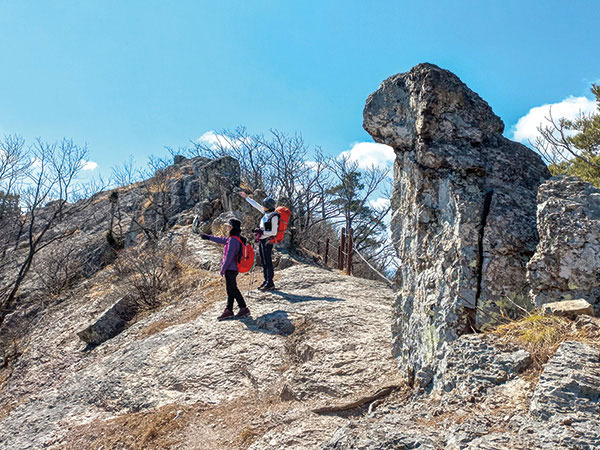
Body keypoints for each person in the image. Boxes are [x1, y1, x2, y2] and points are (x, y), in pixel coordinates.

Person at [200, 218, 250, 321]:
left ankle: (243, 308)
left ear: (232, 228)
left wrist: (223, 269)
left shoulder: (233, 240)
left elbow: (229, 256)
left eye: (228, 226)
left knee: (233, 289)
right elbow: (221, 240)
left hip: (230, 268)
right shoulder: (235, 238)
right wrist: (208, 237)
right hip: (233, 268)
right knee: (230, 289)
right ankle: (229, 310)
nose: (227, 228)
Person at [238, 191, 278, 290]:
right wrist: (247, 198)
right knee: (264, 261)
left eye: (264, 205)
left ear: (269, 206)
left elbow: (273, 232)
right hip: (262, 240)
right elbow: (256, 205)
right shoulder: (266, 213)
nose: (263, 207)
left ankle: (270, 283)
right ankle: (266, 280)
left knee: (268, 261)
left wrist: (261, 232)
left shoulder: (274, 216)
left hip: (268, 240)